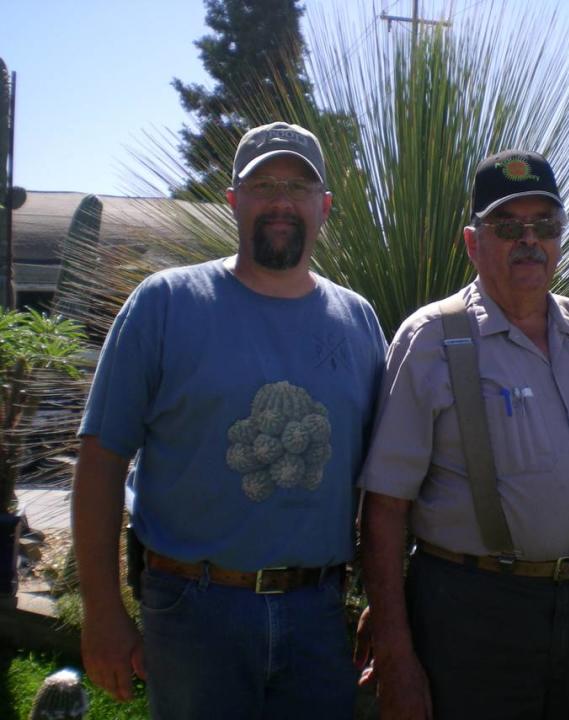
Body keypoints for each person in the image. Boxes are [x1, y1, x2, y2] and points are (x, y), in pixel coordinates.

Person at [72, 121, 386, 719]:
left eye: (298, 186)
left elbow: (379, 480)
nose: (280, 201)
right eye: (263, 183)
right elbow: (102, 456)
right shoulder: (165, 304)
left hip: (318, 614)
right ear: (233, 200)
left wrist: (382, 600)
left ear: (324, 206)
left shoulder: (358, 320)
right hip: (194, 612)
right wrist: (103, 611)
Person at [356, 150, 569, 720]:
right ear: (473, 243)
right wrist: (395, 653)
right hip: (472, 615)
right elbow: (382, 509)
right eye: (508, 227)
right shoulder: (432, 338)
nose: (530, 241)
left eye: (545, 226)